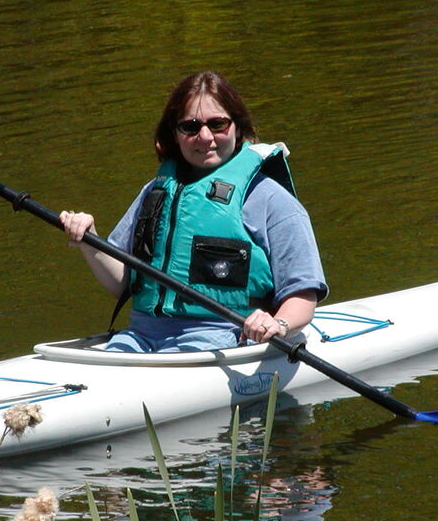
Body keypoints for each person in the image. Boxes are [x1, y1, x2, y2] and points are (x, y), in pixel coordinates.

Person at [59, 71, 327, 352]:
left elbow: (303, 293)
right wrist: (90, 241)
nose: (205, 137)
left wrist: (279, 324)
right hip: (139, 335)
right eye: (190, 127)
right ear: (174, 133)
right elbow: (122, 285)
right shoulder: (155, 192)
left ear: (237, 127)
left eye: (218, 124)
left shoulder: (270, 199)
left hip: (223, 337)